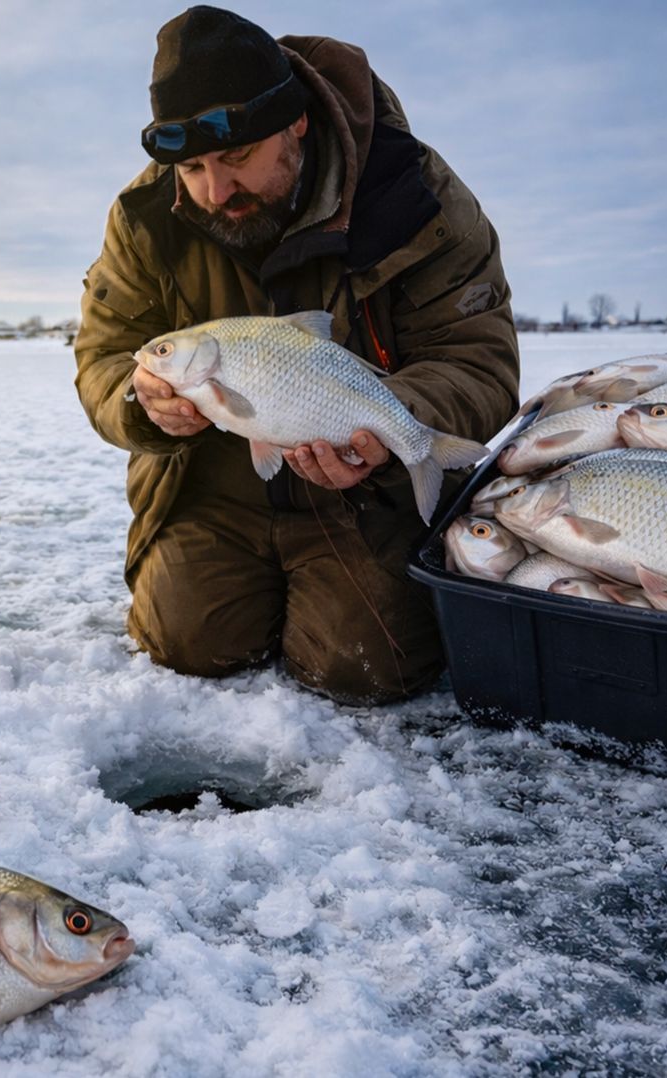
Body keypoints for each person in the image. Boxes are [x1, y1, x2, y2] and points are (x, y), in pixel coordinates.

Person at [74, 5, 520, 705]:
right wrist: (140, 402)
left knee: (368, 668)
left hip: (364, 494)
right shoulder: (144, 215)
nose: (216, 190)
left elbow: (477, 359)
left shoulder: (415, 195)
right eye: (192, 167)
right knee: (184, 644)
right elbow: (103, 353)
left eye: (238, 158)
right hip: (212, 487)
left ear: (297, 123)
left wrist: (387, 427)